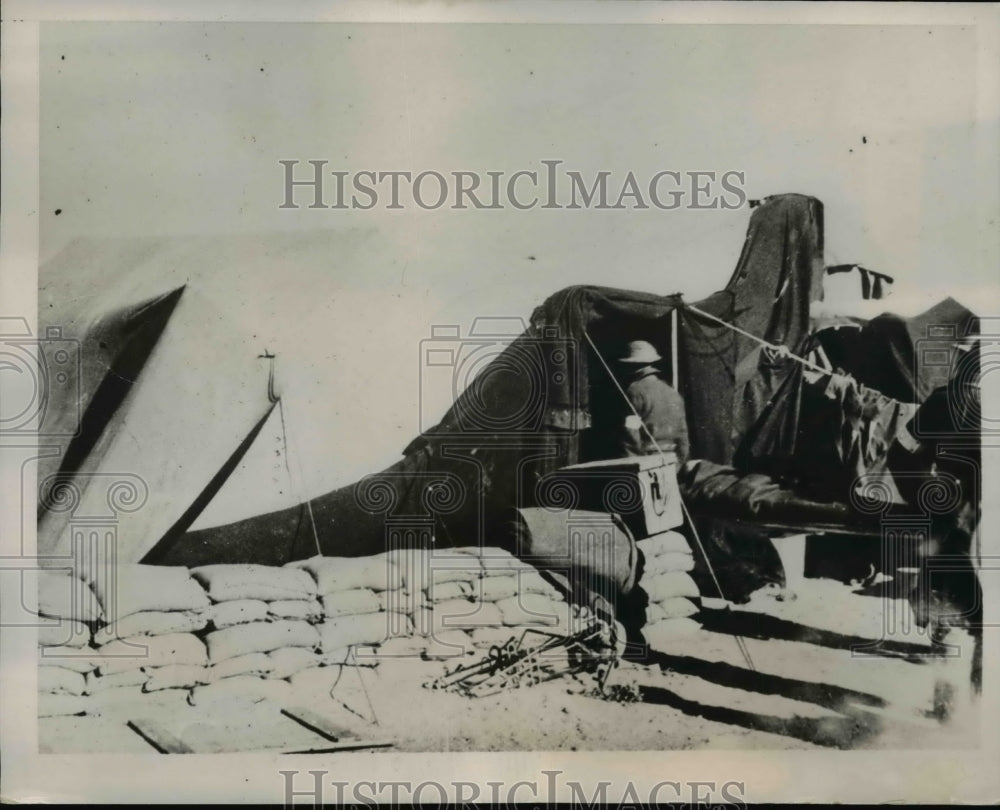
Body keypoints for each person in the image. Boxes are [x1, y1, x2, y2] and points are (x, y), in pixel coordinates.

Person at [613, 340, 690, 464]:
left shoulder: (634, 391)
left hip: (648, 462)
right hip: (674, 461)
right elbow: (683, 434)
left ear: (630, 366)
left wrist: (631, 467)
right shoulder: (672, 392)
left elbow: (631, 435)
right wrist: (681, 463)